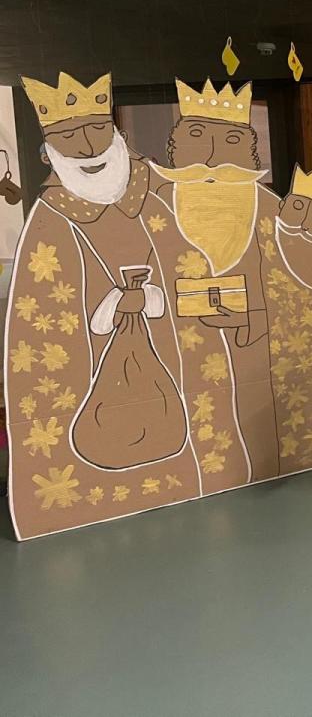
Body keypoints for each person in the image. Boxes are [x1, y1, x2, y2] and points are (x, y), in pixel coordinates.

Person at [5, 72, 205, 539]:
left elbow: (190, 262)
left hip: (162, 347)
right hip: (99, 359)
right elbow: (41, 316)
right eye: (68, 136)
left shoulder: (159, 195)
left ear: (118, 136)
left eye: (96, 129)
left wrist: (152, 299)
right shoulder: (50, 217)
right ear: (48, 150)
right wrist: (113, 306)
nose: (86, 146)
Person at [148, 78, 312, 482]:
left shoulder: (276, 214)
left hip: (258, 355)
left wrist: (259, 316)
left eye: (229, 141)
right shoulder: (151, 211)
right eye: (198, 137)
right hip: (176, 354)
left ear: (247, 151)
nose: (212, 156)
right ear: (177, 147)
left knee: (251, 435)